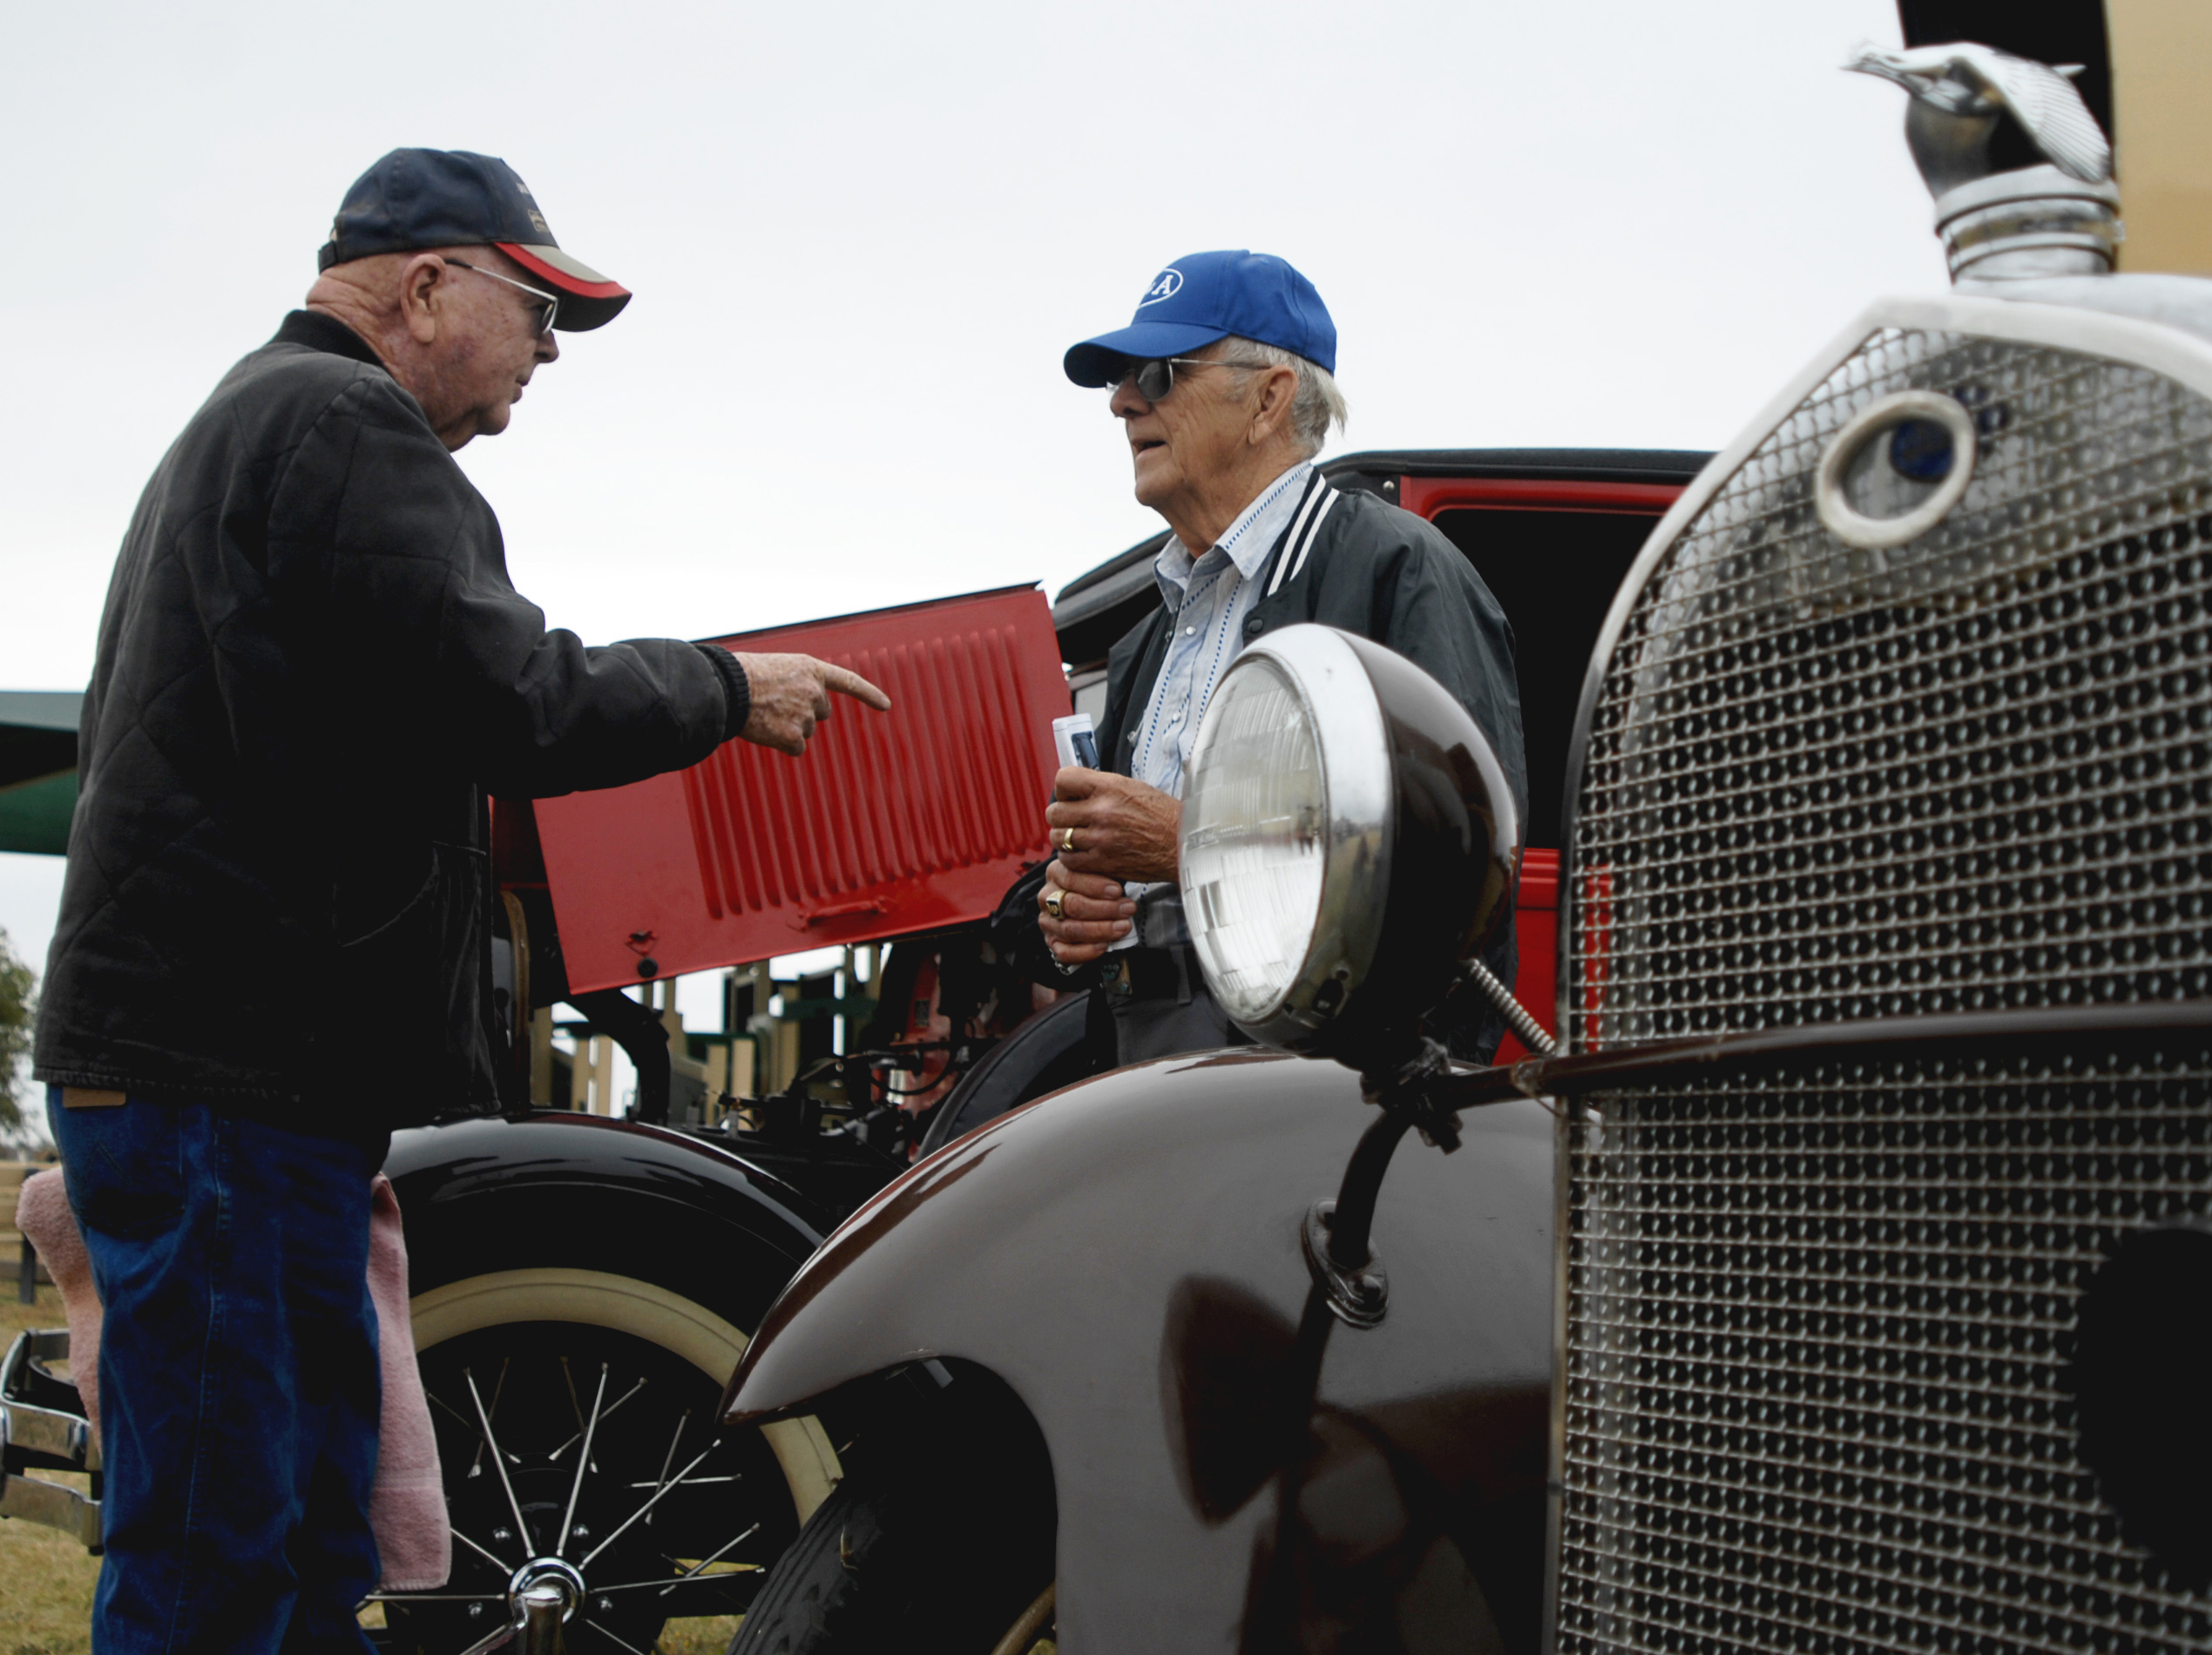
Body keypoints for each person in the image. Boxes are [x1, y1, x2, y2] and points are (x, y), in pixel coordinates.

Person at [30, 149, 888, 1653]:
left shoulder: (258, 422)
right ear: (427, 289)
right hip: (225, 1082)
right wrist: (723, 689)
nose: (550, 352)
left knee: (299, 1530)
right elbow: (510, 694)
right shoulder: (341, 422)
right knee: (220, 1544)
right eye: (538, 310)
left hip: (238, 1076)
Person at [1035, 250, 1524, 1066]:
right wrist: (1064, 910)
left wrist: (1189, 843)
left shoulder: (1401, 570)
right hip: (1146, 1070)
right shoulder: (1147, 639)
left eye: (1158, 374)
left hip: (1325, 1082)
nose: (1122, 401)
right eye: (1120, 381)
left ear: (1269, 398)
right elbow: (1078, 885)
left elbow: (1459, 872)